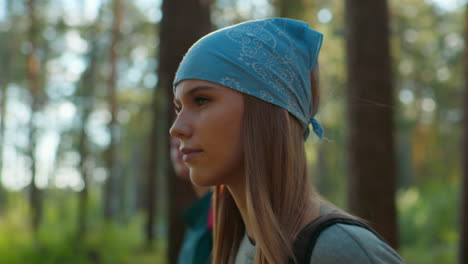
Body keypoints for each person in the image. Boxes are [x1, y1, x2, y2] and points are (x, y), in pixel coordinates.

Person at [170, 18, 404, 264]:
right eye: (179, 108)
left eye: (202, 100)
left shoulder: (339, 251)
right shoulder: (241, 244)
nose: (177, 129)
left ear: (265, 109)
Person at [170, 136, 213, 264]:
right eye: (171, 139)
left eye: (197, 115)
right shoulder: (196, 217)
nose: (177, 142)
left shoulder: (224, 213)